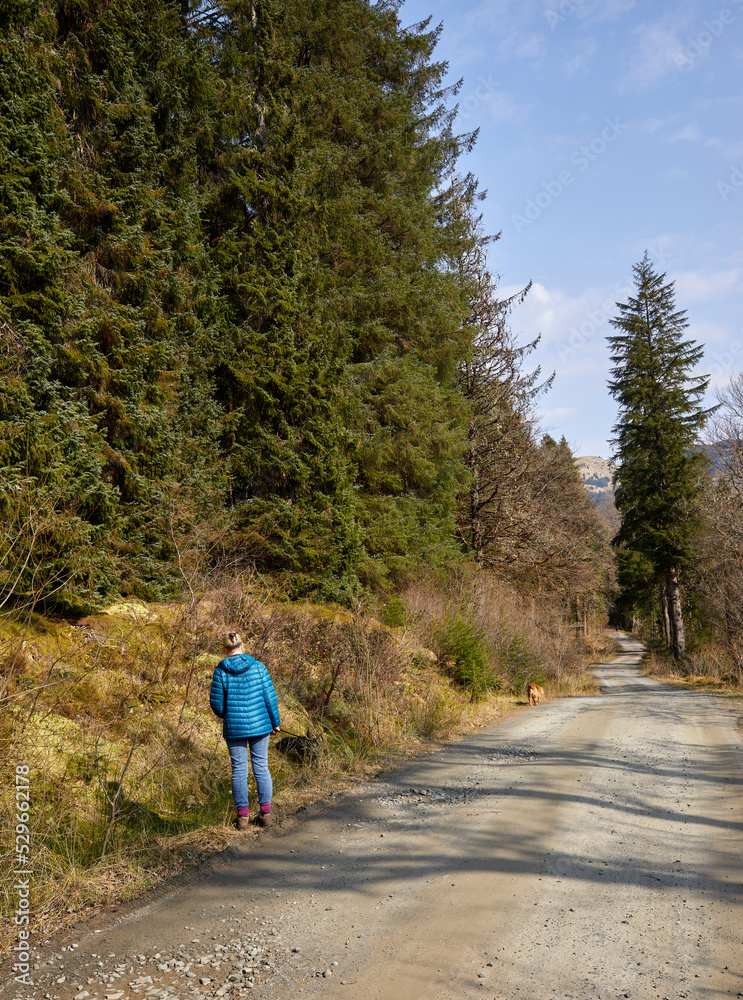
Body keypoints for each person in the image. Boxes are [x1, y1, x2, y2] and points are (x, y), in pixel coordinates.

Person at [210, 631, 281, 830]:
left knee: (239, 769)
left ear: (225, 650)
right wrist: (275, 722)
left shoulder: (220, 671)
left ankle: (242, 818)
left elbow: (217, 705)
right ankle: (265, 815)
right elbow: (270, 697)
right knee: (261, 766)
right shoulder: (259, 667)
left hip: (234, 727)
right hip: (260, 725)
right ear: (242, 646)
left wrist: (229, 714)